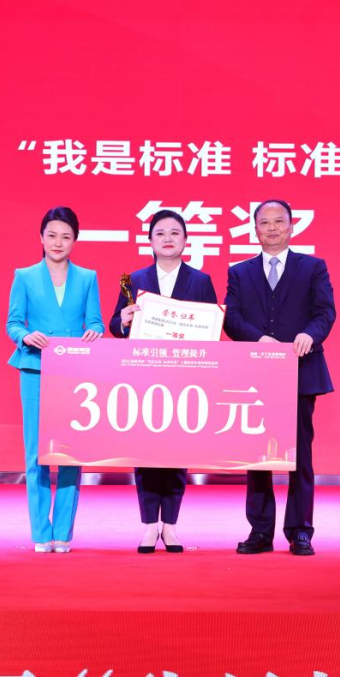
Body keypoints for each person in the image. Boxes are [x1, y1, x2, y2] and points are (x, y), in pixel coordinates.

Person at [223, 200, 336, 556]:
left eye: (278, 221)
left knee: (299, 455)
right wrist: (258, 338)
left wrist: (309, 335)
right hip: (256, 375)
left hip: (301, 371)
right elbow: (231, 318)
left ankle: (300, 531)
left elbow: (325, 312)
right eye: (264, 222)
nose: (271, 228)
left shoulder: (313, 267)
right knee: (258, 456)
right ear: (254, 229)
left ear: (291, 226)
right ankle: (260, 531)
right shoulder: (240, 272)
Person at [109, 209, 218, 554]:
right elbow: (115, 326)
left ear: (186, 240)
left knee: (177, 454)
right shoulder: (133, 279)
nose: (168, 238)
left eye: (175, 233)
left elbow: (212, 330)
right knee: (144, 453)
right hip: (144, 377)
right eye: (160, 233)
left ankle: (170, 526)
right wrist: (123, 320)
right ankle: (148, 526)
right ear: (150, 241)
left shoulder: (201, 281)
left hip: (186, 379)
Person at [6, 206, 104, 554]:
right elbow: (13, 323)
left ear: (75, 240)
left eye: (65, 236)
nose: (58, 242)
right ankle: (40, 532)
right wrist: (25, 336)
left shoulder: (87, 277)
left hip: (74, 373)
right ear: (41, 237)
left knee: (70, 454)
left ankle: (63, 532)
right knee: (35, 454)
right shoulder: (25, 276)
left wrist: (94, 332)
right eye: (52, 235)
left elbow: (95, 321)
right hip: (35, 369)